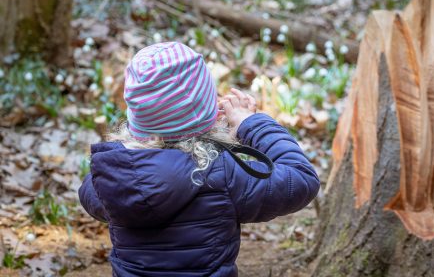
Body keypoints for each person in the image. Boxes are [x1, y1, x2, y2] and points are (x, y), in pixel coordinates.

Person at [78, 41, 320, 276]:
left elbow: (91, 198)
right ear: (207, 110)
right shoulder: (221, 174)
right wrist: (251, 124)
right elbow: (301, 179)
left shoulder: (112, 177)